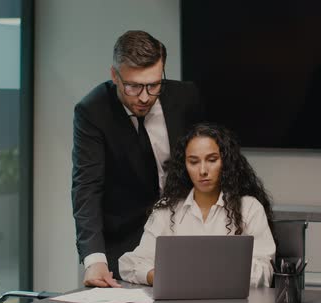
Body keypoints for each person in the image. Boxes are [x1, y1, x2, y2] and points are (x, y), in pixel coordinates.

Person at [72, 30, 205, 288]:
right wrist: (94, 258)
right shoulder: (92, 111)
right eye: (133, 86)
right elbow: (87, 186)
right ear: (114, 76)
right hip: (124, 246)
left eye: (154, 85)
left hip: (183, 237)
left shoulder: (186, 97)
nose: (144, 97)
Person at [119, 123, 276, 287]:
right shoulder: (167, 209)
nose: (202, 170)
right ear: (184, 166)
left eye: (212, 160)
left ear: (226, 162)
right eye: (193, 162)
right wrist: (158, 277)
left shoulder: (249, 208)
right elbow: (130, 264)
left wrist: (207, 274)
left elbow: (265, 272)